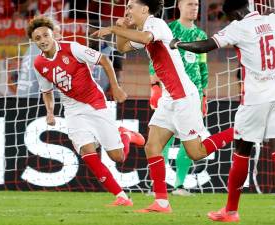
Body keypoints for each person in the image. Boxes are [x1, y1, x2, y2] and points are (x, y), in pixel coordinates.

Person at [92, 0, 234, 213]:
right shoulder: (144, 28)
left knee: (196, 152)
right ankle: (161, 202)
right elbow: (122, 48)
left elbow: (145, 38)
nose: (128, 10)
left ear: (145, 9)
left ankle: (239, 130)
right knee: (152, 147)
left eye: (131, 6)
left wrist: (114, 28)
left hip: (184, 96)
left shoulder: (156, 24)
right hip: (169, 98)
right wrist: (122, 29)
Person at [170, 0, 275, 223]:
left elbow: (204, 45)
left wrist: (177, 44)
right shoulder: (274, 20)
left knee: (242, 151)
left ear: (233, 13)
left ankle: (231, 211)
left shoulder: (237, 28)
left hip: (255, 99)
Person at [27, 15, 144, 207]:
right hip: (72, 108)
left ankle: (126, 134)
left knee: (118, 157)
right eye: (38, 38)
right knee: (87, 153)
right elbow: (46, 91)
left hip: (95, 102)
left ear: (53, 35)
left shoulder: (72, 47)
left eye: (45, 35)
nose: (42, 41)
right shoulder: (39, 64)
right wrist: (50, 112)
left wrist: (115, 87)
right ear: (34, 41)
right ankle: (121, 197)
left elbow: (104, 60)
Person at [148, 0, 209, 197]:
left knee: (189, 141)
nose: (194, 8)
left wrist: (204, 95)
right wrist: (154, 86)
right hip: (170, 92)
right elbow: (154, 59)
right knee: (161, 140)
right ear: (180, 6)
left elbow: (202, 67)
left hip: (194, 94)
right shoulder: (169, 29)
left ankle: (179, 185)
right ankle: (157, 185)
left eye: (196, 5)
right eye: (190, 4)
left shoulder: (201, 35)